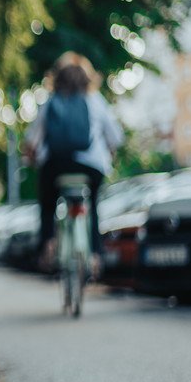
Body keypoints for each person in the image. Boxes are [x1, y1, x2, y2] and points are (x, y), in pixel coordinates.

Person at [25, 52, 124, 272]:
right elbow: (116, 137)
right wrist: (109, 153)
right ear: (88, 77)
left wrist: (32, 159)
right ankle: (96, 255)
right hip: (91, 167)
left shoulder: (50, 102)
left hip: (56, 165)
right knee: (94, 205)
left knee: (48, 205)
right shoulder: (96, 101)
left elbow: (32, 141)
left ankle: (48, 243)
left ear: (57, 78)